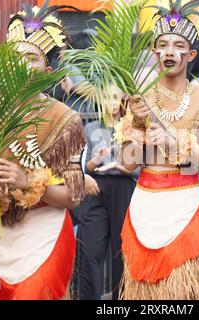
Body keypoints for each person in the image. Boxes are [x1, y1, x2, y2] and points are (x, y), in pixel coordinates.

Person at [0, 4, 88, 300]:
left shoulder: (64, 119)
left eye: (31, 58)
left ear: (47, 71)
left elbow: (73, 197)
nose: (20, 65)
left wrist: (27, 183)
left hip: (43, 237)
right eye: (14, 56)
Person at [117, 0, 199, 299]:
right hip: (145, 204)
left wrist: (177, 145)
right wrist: (140, 130)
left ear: (191, 54)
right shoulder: (140, 99)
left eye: (178, 45)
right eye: (162, 44)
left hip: (187, 204)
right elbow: (127, 163)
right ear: (155, 53)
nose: (169, 50)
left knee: (188, 295)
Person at [77, 85, 139, 300]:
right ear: (100, 99)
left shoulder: (131, 127)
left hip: (124, 187)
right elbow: (85, 167)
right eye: (108, 97)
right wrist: (96, 160)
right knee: (90, 249)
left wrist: (118, 163)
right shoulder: (90, 128)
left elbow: (138, 167)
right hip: (96, 187)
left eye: (117, 97)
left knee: (121, 253)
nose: (112, 103)